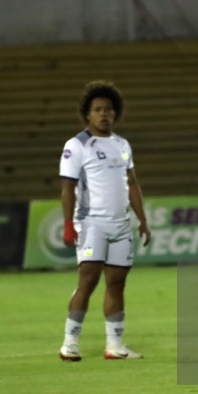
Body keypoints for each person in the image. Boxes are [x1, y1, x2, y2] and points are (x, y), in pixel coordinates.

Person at [59, 80, 151, 362]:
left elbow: (132, 184)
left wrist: (142, 221)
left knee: (117, 283)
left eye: (109, 110)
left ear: (116, 113)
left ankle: (114, 345)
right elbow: (67, 187)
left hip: (121, 225)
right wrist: (68, 224)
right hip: (91, 224)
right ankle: (70, 343)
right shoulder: (77, 145)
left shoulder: (122, 145)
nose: (104, 114)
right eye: (98, 109)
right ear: (87, 114)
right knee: (88, 280)